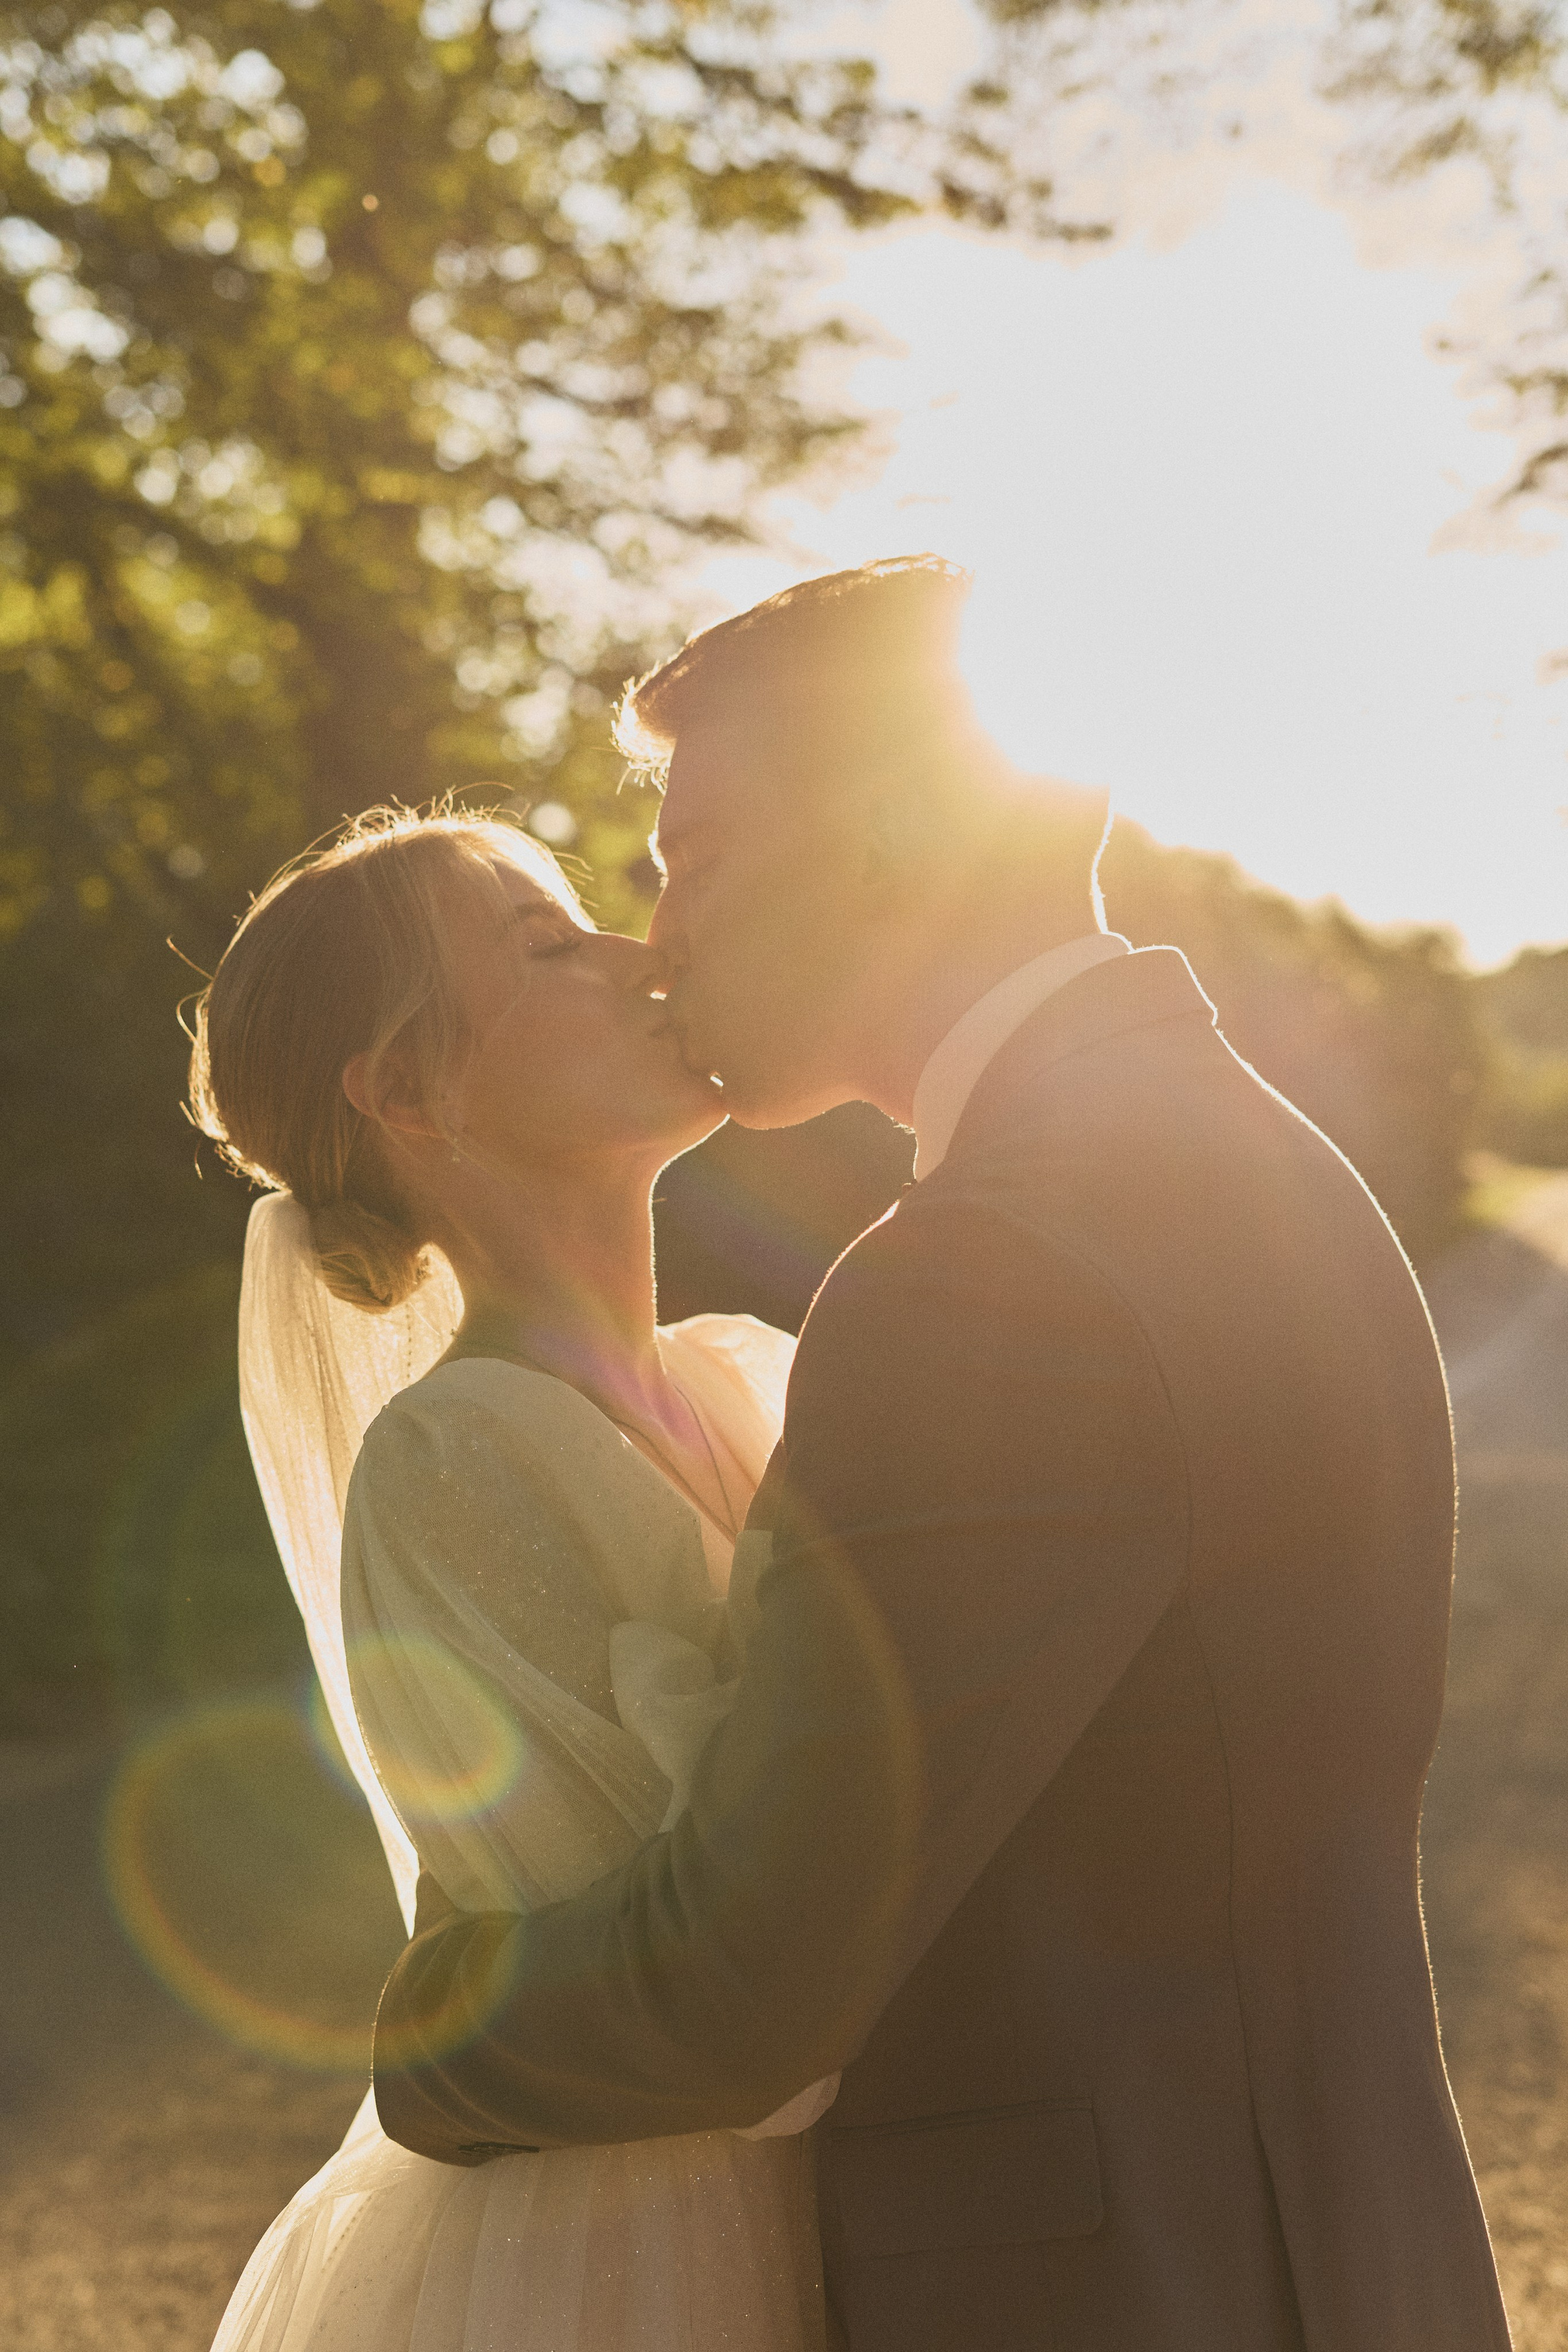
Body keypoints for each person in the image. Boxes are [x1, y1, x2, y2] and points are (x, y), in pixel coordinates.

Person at [371, 556, 1512, 2350]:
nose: (664, 933)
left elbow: (755, 1977)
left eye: (697, 857)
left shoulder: (989, 1267)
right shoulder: (1246, 1152)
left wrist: (424, 2045)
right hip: (1327, 2257)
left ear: (892, 826)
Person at [191, 806, 835, 2352]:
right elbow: (692, 1963)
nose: (642, 951)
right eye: (548, 945)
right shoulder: (455, 1461)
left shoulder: (740, 1379)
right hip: (651, 2249)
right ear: (409, 1091)